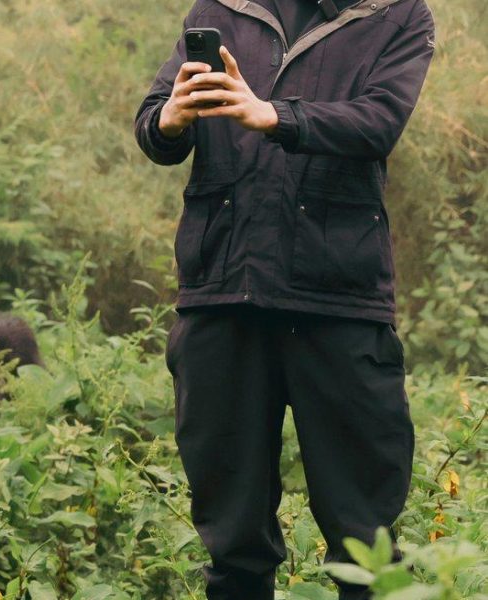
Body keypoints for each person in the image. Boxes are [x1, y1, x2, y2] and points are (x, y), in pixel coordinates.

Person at [133, 0, 435, 598]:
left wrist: (273, 115)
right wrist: (169, 119)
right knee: (232, 542)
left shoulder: (397, 16)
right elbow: (153, 125)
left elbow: (379, 120)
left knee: (364, 543)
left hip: (337, 298)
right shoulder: (223, 9)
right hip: (223, 293)